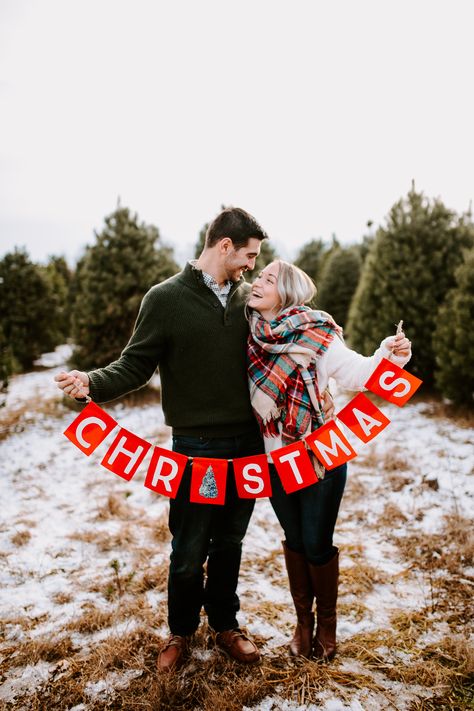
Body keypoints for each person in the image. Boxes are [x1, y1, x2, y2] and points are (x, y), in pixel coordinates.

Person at [55, 207, 272, 672]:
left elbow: (291, 341)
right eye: (249, 255)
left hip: (249, 444)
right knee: (190, 545)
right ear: (225, 245)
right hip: (198, 447)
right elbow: (135, 364)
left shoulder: (249, 299)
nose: (253, 265)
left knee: (230, 540)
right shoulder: (166, 298)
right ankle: (180, 631)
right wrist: (91, 383)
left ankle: (226, 624)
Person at [246, 259, 411, 660]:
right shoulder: (248, 335)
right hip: (274, 462)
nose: (257, 281)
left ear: (285, 292)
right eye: (258, 275)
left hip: (320, 456)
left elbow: (358, 373)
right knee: (296, 541)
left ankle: (327, 626)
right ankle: (303, 623)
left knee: (318, 544)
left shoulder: (316, 335)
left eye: (268, 278)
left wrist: (389, 354)